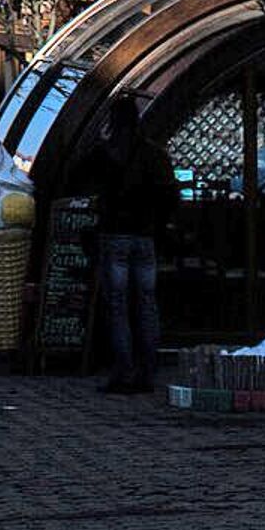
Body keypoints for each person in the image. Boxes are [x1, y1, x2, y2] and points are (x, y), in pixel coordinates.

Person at [87, 92, 178, 395]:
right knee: (146, 304)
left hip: (115, 234)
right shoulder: (153, 155)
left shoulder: (105, 154)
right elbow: (170, 196)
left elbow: (84, 178)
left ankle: (123, 370)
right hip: (145, 236)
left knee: (117, 305)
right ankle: (147, 370)